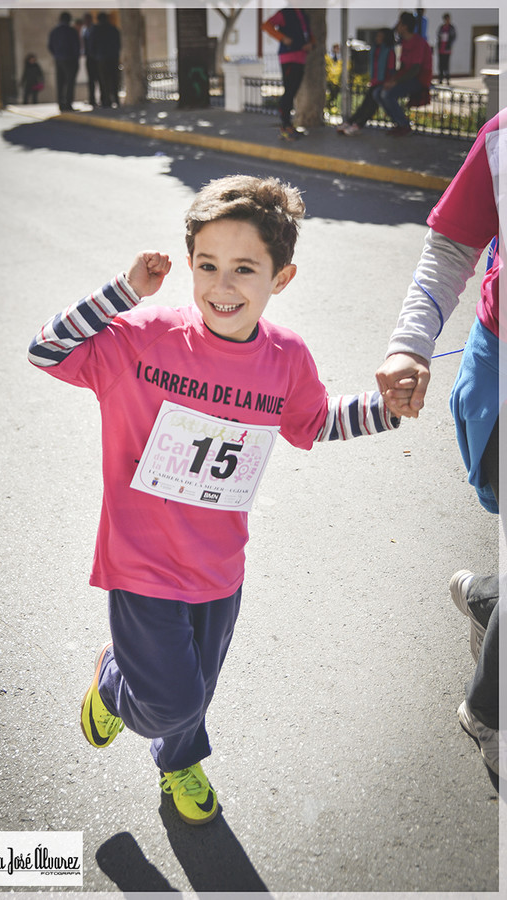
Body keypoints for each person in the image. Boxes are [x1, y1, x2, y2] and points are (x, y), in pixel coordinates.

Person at [28, 175, 405, 826]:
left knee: (193, 692)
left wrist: (387, 410)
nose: (221, 287)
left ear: (280, 278)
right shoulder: (142, 337)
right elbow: (45, 349)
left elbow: (313, 423)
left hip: (220, 566)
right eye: (207, 266)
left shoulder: (286, 358)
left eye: (243, 270)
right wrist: (121, 293)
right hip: (140, 564)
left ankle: (178, 761)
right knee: (168, 698)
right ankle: (114, 685)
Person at [375, 110, 506, 777]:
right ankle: (490, 713)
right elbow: (454, 246)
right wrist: (409, 343)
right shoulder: (504, 137)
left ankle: (488, 596)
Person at [372, 11, 431, 137]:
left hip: (418, 80)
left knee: (386, 94)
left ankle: (404, 125)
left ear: (404, 26)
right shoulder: (405, 42)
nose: (397, 26)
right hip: (406, 78)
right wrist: (392, 79)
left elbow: (415, 69)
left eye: (399, 23)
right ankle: (398, 123)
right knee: (377, 93)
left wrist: (395, 82)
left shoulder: (418, 43)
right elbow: (403, 67)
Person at [261, 8, 315, 141]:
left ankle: (288, 125)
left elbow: (309, 35)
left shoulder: (304, 14)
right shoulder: (285, 13)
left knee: (293, 91)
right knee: (289, 91)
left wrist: (311, 44)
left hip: (301, 57)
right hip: (289, 57)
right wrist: (282, 38)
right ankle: (285, 126)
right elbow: (266, 25)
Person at [337, 28, 396, 135]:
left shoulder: (389, 51)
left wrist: (389, 82)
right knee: (366, 105)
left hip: (383, 82)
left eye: (380, 36)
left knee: (370, 106)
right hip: (375, 81)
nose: (377, 38)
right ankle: (352, 122)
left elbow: (391, 69)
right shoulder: (375, 50)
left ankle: (356, 124)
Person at [48, 11, 80, 112]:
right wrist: (75, 57)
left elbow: (50, 46)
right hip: (70, 59)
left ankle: (61, 105)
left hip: (59, 59)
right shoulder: (71, 31)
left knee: (60, 83)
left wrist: (57, 54)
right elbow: (76, 46)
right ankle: (68, 104)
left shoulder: (54, 31)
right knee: (70, 83)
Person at [89, 12, 121, 108]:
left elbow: (91, 46)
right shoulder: (113, 29)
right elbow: (118, 44)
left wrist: (96, 56)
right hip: (112, 57)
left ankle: (106, 100)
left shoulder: (95, 30)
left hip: (102, 58)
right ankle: (116, 99)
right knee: (114, 79)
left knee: (103, 80)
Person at [81, 12, 98, 106]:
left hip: (96, 58)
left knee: (98, 79)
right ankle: (92, 99)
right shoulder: (84, 30)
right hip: (89, 58)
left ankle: (103, 99)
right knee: (90, 80)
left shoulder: (95, 29)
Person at [436, 13, 456, 85]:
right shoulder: (441, 27)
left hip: (447, 49)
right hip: (441, 48)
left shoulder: (451, 28)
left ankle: (447, 79)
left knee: (446, 65)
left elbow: (453, 37)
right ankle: (440, 78)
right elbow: (438, 35)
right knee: (440, 65)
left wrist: (449, 44)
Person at [325, 43, 342, 109]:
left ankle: (329, 104)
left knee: (335, 93)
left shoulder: (340, 58)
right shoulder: (329, 56)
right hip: (329, 78)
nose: (337, 50)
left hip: (336, 80)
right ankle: (328, 104)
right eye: (336, 48)